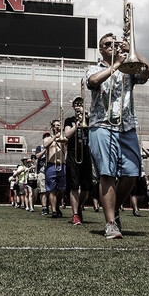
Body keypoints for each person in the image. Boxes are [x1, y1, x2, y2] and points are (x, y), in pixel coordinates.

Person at [85, 31, 149, 239]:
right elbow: (93, 81)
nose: (112, 46)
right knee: (106, 173)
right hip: (101, 125)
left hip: (127, 126)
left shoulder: (128, 70)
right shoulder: (94, 67)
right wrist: (115, 65)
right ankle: (110, 224)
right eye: (108, 44)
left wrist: (132, 50)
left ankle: (114, 210)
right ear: (100, 49)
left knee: (132, 174)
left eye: (115, 43)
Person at [62, 96, 94, 226]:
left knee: (86, 188)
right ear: (73, 107)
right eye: (76, 104)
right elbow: (67, 135)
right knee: (74, 186)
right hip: (73, 154)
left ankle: (79, 206)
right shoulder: (69, 120)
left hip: (86, 153)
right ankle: (75, 214)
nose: (78, 106)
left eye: (81, 104)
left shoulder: (90, 119)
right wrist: (78, 124)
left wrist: (88, 117)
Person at [42, 124, 68, 219]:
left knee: (61, 190)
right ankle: (53, 211)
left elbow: (67, 142)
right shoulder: (48, 138)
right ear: (52, 127)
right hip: (51, 165)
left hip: (62, 165)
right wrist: (54, 137)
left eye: (59, 125)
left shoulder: (64, 137)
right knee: (52, 190)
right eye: (55, 125)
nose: (57, 127)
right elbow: (45, 145)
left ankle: (57, 206)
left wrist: (60, 137)